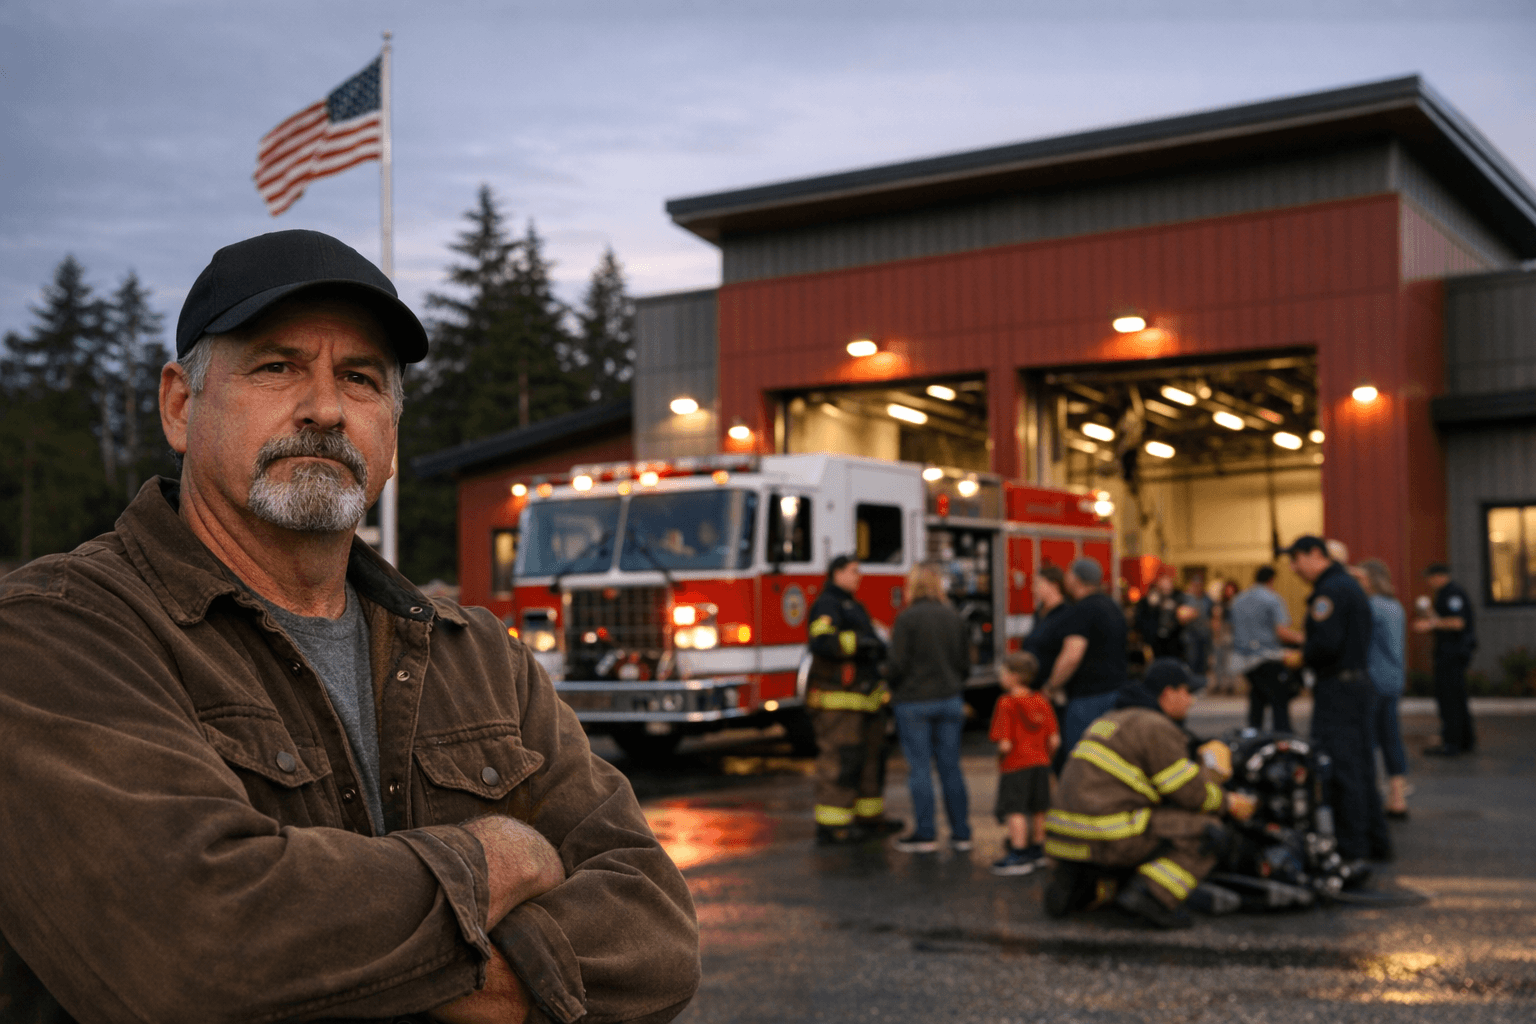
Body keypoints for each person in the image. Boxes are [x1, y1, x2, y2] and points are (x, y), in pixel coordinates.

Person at [0, 230, 700, 1021]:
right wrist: (494, 860)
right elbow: (194, 952)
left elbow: (658, 933)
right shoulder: (56, 635)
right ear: (180, 405)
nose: (326, 409)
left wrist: (424, 972)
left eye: (360, 379)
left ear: (391, 436)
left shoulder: (479, 658)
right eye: (277, 366)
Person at [1043, 659, 1256, 929]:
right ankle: (1151, 895)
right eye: (1187, 692)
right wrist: (1228, 802)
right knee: (1209, 833)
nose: (1191, 701)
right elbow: (1189, 794)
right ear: (1168, 694)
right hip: (1107, 834)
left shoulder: (1110, 720)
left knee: (1149, 819)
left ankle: (1079, 885)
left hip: (1064, 835)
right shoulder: (1155, 726)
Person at [1282, 535, 1393, 865]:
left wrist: (1300, 658)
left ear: (1316, 555)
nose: (1293, 568)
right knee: (1361, 767)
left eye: (1297, 559)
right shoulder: (1348, 585)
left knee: (1342, 769)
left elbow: (1326, 644)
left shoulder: (1329, 591)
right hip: (1357, 685)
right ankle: (1376, 843)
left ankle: (1352, 849)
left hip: (1338, 691)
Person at [806, 554, 896, 844]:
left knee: (870, 760)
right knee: (840, 762)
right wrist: (860, 642)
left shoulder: (853, 604)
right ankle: (834, 826)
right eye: (853, 571)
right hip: (840, 702)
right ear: (836, 573)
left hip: (864, 699)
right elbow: (821, 641)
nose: (859, 576)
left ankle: (869, 819)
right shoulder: (827, 604)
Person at [886, 563, 973, 853]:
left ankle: (926, 834)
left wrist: (893, 685)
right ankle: (961, 833)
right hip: (950, 699)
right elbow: (965, 664)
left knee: (920, 769)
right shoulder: (954, 617)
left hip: (913, 702)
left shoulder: (906, 619)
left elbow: (896, 665)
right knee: (951, 768)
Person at [1041, 557, 1128, 768]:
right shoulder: (1112, 606)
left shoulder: (1082, 610)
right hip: (1115, 695)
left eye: (1069, 573)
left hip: (1088, 700)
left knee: (1082, 762)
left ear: (1077, 579)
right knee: (1108, 758)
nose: (1066, 577)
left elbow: (1072, 655)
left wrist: (1051, 686)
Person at [989, 651, 1058, 875]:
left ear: (1014, 676)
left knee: (1015, 809)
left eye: (1003, 673)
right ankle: (1038, 849)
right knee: (1039, 807)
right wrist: (1046, 756)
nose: (1000, 676)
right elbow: (1055, 740)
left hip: (1016, 764)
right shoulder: (1041, 701)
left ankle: (1018, 853)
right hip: (1041, 762)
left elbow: (1005, 745)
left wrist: (1000, 758)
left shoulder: (1006, 703)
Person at [1355, 558, 1410, 819]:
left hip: (1372, 680)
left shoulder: (1370, 607)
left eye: (1361, 579)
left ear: (1372, 580)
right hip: (1394, 679)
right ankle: (1398, 796)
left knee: (1366, 739)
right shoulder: (1395, 606)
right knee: (1391, 737)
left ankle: (1370, 798)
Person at [1229, 566, 1305, 732]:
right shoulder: (1272, 599)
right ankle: (1283, 735)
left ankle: (1254, 732)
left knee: (1258, 695)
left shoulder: (1238, 599)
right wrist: (1304, 639)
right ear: (1272, 580)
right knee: (1279, 698)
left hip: (1243, 659)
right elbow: (1282, 632)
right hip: (1267, 657)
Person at [1414, 562, 1478, 756]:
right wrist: (1429, 615)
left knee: (1449, 699)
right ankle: (1464, 740)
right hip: (1450, 653)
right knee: (1457, 697)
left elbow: (1458, 622)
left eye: (1431, 577)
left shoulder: (1453, 593)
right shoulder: (1444, 594)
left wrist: (1430, 624)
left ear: (1440, 576)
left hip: (1452, 654)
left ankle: (1452, 743)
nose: (1429, 582)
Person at [1021, 563, 1071, 681]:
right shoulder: (1038, 613)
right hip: (1034, 683)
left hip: (1052, 684)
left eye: (1038, 584)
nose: (1033, 589)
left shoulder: (1067, 613)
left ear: (1054, 585)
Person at [1134, 570, 1184, 662]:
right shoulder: (1148, 601)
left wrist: (1175, 608)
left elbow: (1183, 618)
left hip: (1173, 642)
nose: (1166, 589)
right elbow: (1139, 621)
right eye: (1163, 587)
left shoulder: (1178, 598)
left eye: (1168, 586)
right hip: (1154, 641)